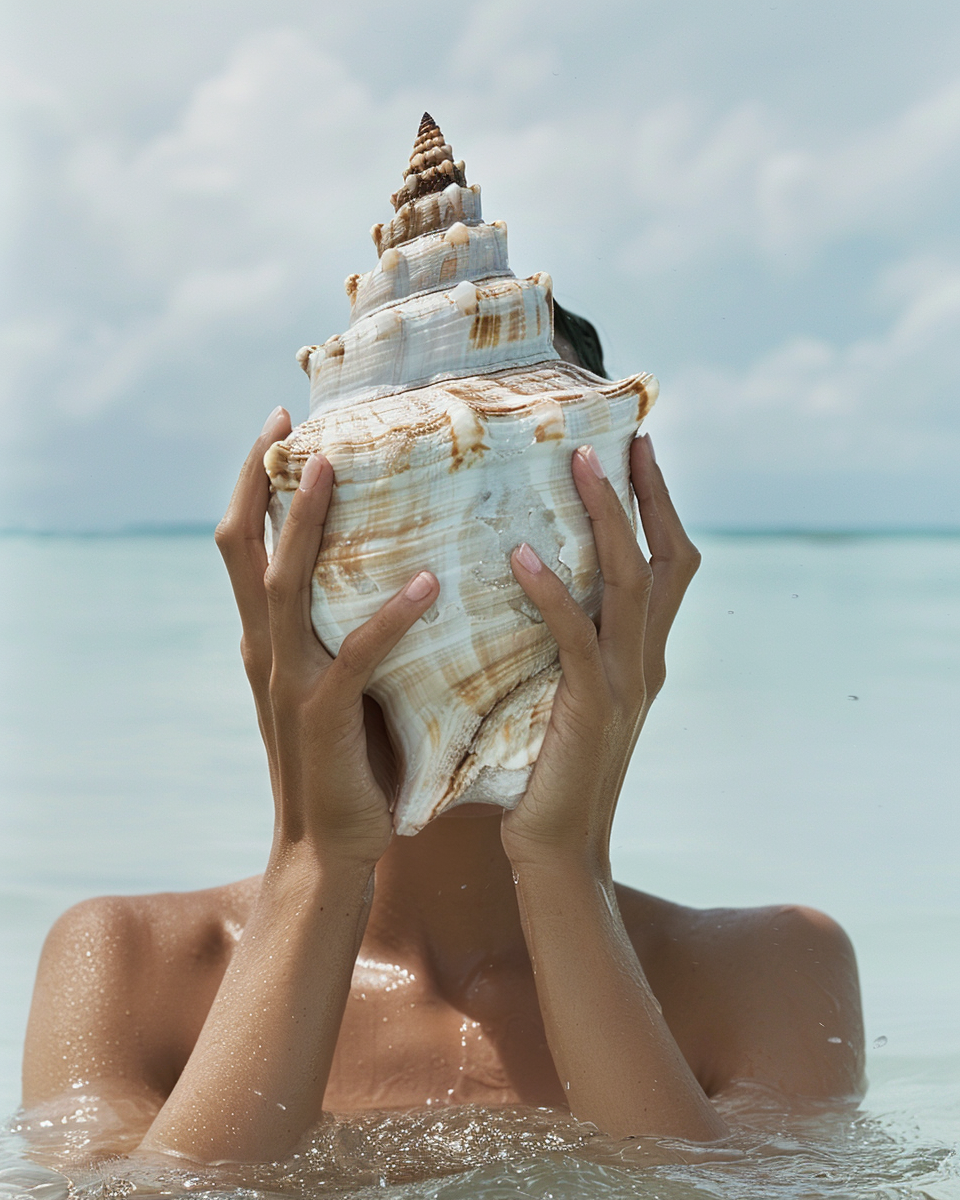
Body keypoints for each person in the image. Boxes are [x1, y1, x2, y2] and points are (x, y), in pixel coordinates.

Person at [21, 314, 865, 1166]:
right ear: (294, 573)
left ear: (627, 569)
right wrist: (317, 858)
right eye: (408, 510)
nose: (465, 579)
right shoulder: (130, 966)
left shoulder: (774, 968)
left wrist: (564, 865)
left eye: (523, 513)